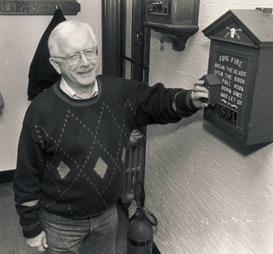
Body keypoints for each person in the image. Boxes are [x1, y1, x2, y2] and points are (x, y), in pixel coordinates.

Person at [13, 20, 209, 254]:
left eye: (89, 52)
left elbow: (158, 102)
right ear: (56, 65)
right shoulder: (41, 110)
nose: (85, 63)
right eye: (73, 56)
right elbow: (27, 175)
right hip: (60, 223)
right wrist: (32, 228)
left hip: (107, 216)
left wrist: (190, 99)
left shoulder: (119, 92)